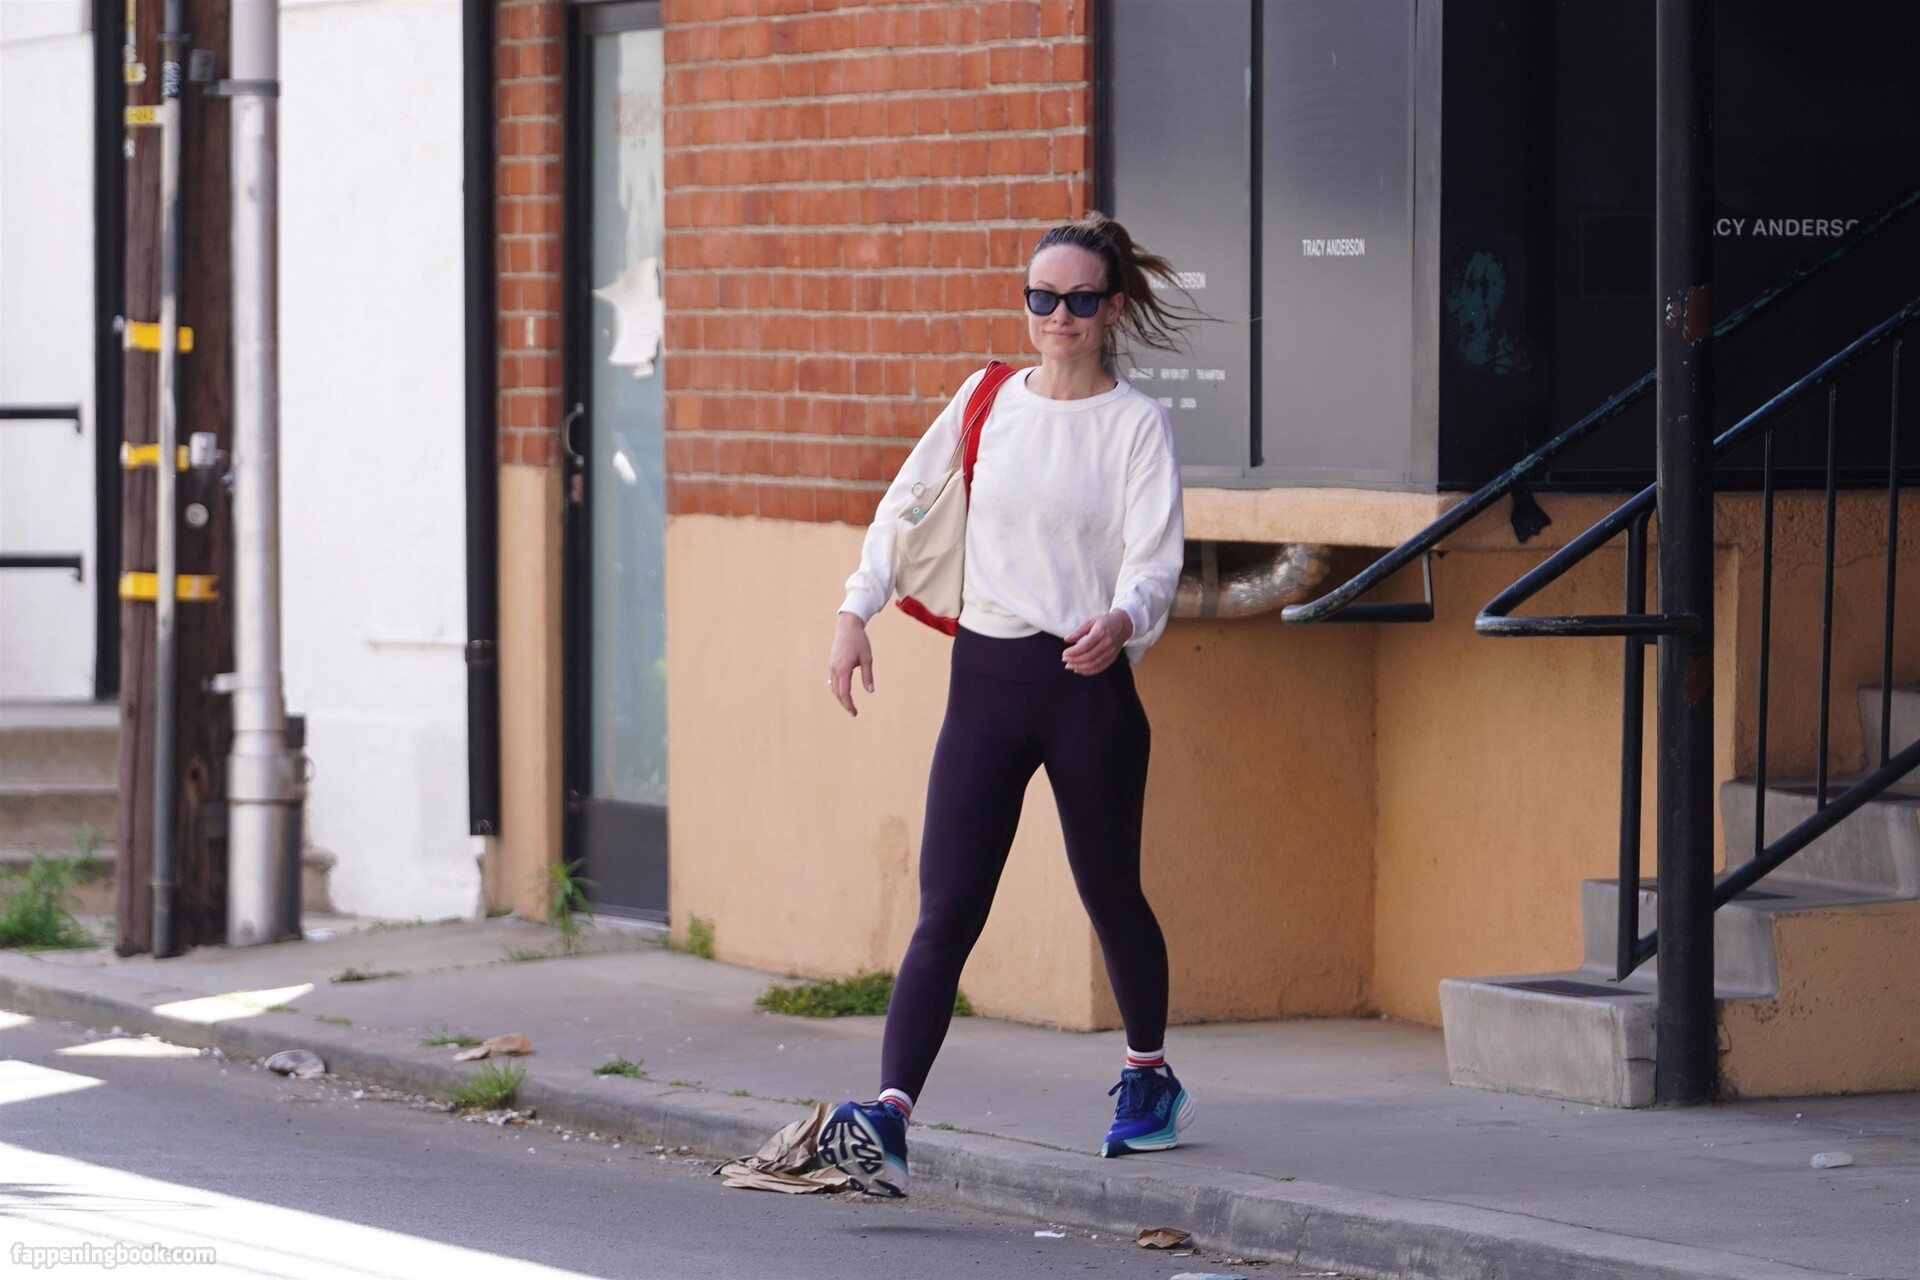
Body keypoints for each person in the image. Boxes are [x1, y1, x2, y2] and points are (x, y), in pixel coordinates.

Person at [817, 212, 1195, 1198]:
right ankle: (890, 1116)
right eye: (1041, 296)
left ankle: (1150, 1076)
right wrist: (855, 611)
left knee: (1110, 892)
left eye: (1079, 300)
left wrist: (1124, 618)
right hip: (983, 685)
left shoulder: (1136, 424)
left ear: (1112, 309)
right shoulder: (986, 397)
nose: (1058, 315)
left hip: (1087, 688)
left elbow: (1155, 556)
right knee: (946, 907)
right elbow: (906, 506)